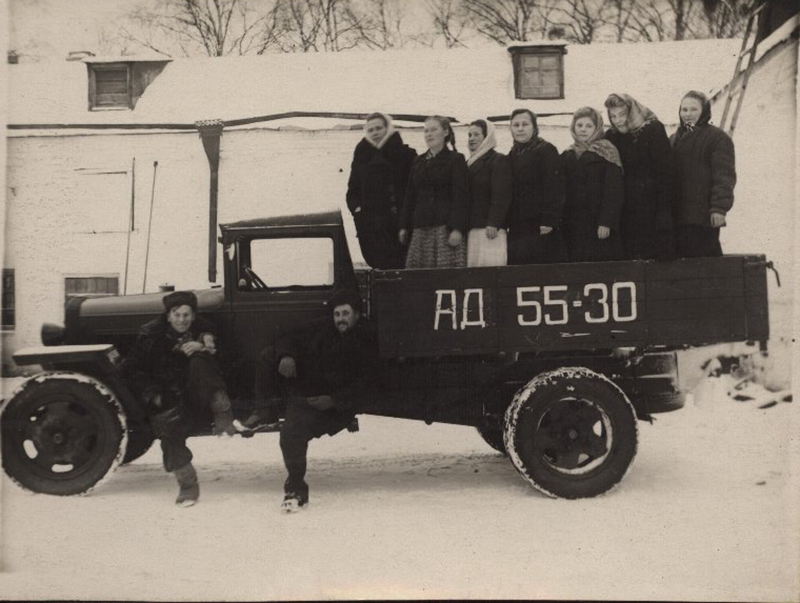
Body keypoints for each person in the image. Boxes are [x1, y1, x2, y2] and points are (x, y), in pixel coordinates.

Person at [251, 288, 377, 513]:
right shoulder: (322, 328)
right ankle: (265, 412)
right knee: (269, 355)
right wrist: (286, 355)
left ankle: (295, 490)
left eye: (345, 314)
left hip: (333, 406)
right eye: (337, 314)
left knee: (292, 434)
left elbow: (367, 385)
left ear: (356, 315)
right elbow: (286, 335)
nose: (341, 319)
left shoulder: (366, 341)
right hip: (306, 394)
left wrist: (334, 401)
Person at [121, 291, 236, 507]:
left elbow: (229, 360)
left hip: (198, 393)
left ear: (193, 316)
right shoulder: (150, 337)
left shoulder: (205, 330)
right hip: (168, 397)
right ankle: (188, 485)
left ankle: (222, 411)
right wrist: (153, 395)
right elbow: (132, 370)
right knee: (169, 436)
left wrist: (203, 348)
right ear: (168, 316)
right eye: (177, 315)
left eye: (186, 315)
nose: (181, 320)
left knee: (200, 360)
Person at [604, 93, 676, 261]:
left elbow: (665, 173)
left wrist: (664, 211)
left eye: (622, 115)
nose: (618, 120)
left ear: (632, 111)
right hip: (626, 210)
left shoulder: (653, 129)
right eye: (613, 116)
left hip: (651, 207)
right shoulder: (612, 136)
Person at [346, 112, 417, 269]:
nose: (375, 133)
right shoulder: (362, 155)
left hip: (400, 226)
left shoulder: (405, 155)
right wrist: (358, 213)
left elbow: (414, 190)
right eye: (370, 130)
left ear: (388, 128)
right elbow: (353, 191)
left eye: (378, 128)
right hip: (371, 228)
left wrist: (407, 220)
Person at [670, 90, 736, 258]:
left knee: (706, 264)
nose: (688, 114)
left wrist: (719, 209)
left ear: (704, 111)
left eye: (693, 109)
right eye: (684, 110)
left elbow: (724, 176)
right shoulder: (673, 139)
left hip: (702, 216)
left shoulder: (717, 138)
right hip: (678, 215)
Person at [399, 116, 469, 269]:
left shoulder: (456, 159)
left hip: (445, 229)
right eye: (426, 131)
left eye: (433, 129)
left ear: (445, 132)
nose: (429, 134)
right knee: (418, 277)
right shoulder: (418, 161)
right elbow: (410, 196)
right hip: (420, 229)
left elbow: (461, 196)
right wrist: (404, 226)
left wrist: (457, 228)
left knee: (447, 277)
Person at [560, 107, 625, 262]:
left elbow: (614, 191)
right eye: (579, 125)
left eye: (589, 126)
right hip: (573, 223)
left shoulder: (607, 152)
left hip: (598, 224)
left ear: (597, 129)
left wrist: (606, 222)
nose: (583, 130)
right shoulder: (567, 154)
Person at [506, 108, 567, 265]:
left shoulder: (546, 150)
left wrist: (549, 219)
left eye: (525, 124)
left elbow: (554, 187)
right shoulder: (512, 154)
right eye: (516, 125)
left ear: (534, 127)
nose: (520, 128)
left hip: (540, 225)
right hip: (518, 225)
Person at [465, 119, 512, 267]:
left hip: (489, 230)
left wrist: (494, 222)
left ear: (487, 137)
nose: (471, 138)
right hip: (473, 227)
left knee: (491, 271)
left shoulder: (497, 160)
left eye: (476, 134)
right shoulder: (470, 162)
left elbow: (502, 193)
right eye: (469, 135)